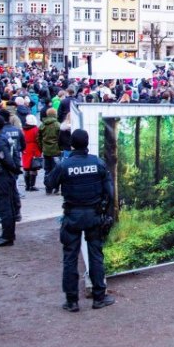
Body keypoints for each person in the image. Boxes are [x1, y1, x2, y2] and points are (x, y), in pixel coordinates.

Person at [45, 128, 116, 310]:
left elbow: (49, 183)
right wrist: (106, 214)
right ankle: (99, 298)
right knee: (96, 256)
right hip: (93, 216)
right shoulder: (98, 163)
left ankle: (72, 301)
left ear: (71, 144)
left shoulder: (64, 165)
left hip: (72, 216)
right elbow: (109, 192)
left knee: (70, 258)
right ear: (87, 143)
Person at [0, 113, 24, 246]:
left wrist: (13, 169)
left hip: (3, 175)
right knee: (8, 204)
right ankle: (7, 233)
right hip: (6, 174)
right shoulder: (3, 136)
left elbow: (5, 158)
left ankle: (7, 236)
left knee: (4, 205)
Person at [39, 107, 62, 194]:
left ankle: (48, 188)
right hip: (56, 151)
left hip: (46, 151)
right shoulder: (57, 125)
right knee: (56, 169)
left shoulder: (42, 125)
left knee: (47, 169)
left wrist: (42, 147)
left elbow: (39, 138)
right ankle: (56, 188)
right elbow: (60, 138)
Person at [21, 114, 43, 191]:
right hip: (34, 149)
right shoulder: (35, 129)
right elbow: (38, 140)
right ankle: (32, 185)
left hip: (25, 148)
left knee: (26, 167)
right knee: (34, 167)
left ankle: (27, 185)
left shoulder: (23, 129)